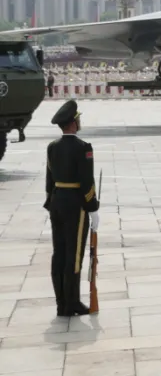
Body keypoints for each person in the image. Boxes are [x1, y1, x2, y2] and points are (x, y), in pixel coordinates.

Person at [44, 100, 100, 317]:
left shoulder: (52, 147)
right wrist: (92, 208)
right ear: (72, 124)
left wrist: (51, 202)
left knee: (59, 253)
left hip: (57, 201)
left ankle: (61, 303)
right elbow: (87, 181)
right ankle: (72, 303)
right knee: (74, 255)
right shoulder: (83, 147)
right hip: (75, 204)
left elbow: (50, 180)